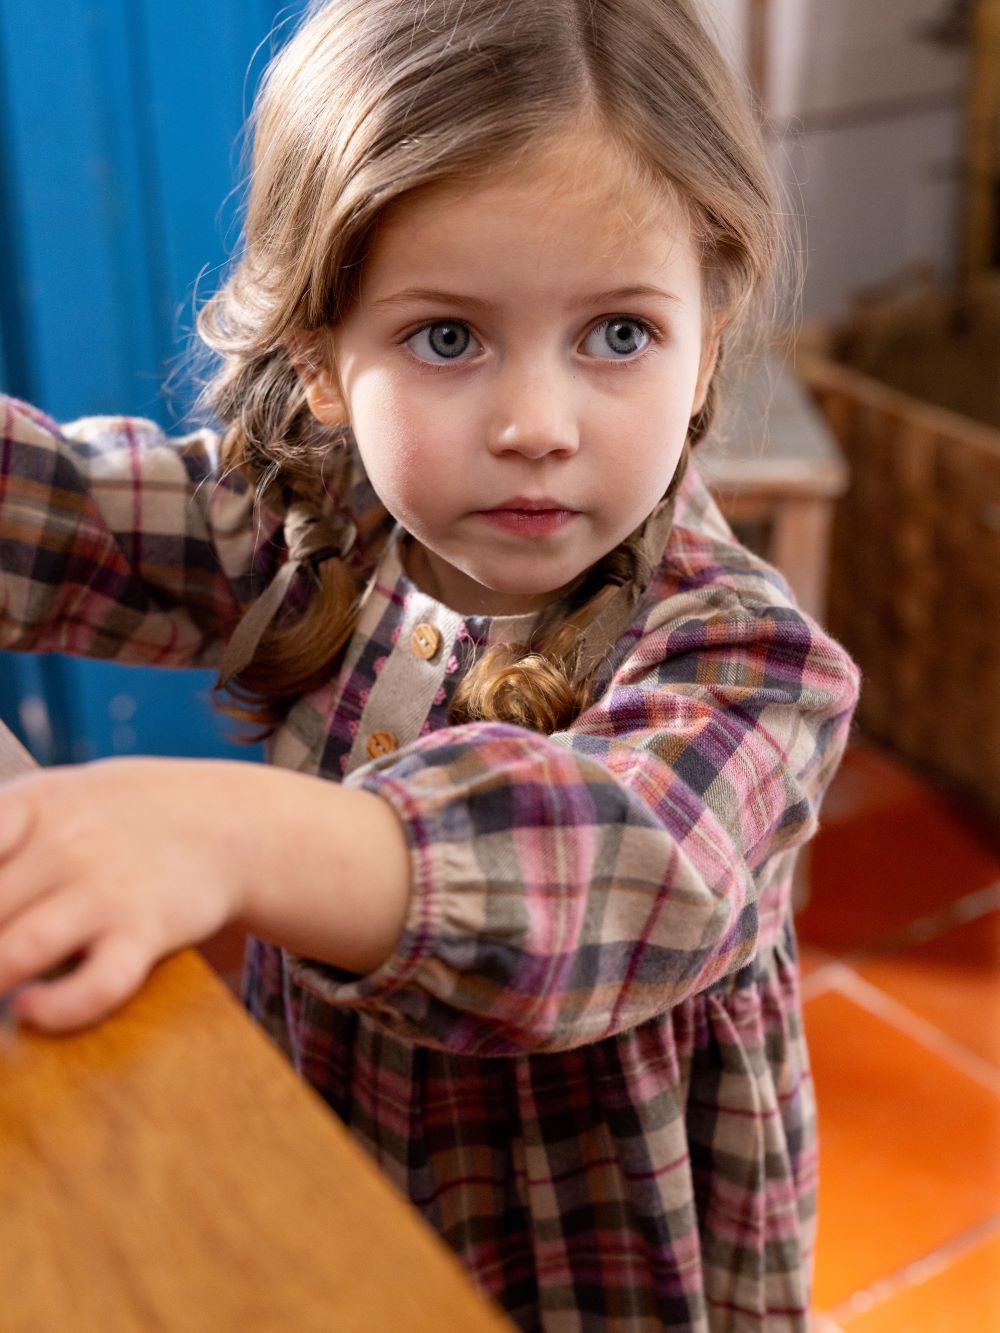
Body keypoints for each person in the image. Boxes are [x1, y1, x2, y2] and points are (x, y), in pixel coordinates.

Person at [0, 1, 861, 1327]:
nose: (535, 425)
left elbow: (623, 860)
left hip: (615, 1277)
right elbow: (64, 507)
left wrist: (230, 833)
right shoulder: (302, 525)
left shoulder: (751, 664)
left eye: (618, 333)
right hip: (350, 1186)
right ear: (322, 359)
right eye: (448, 337)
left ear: (709, 327)